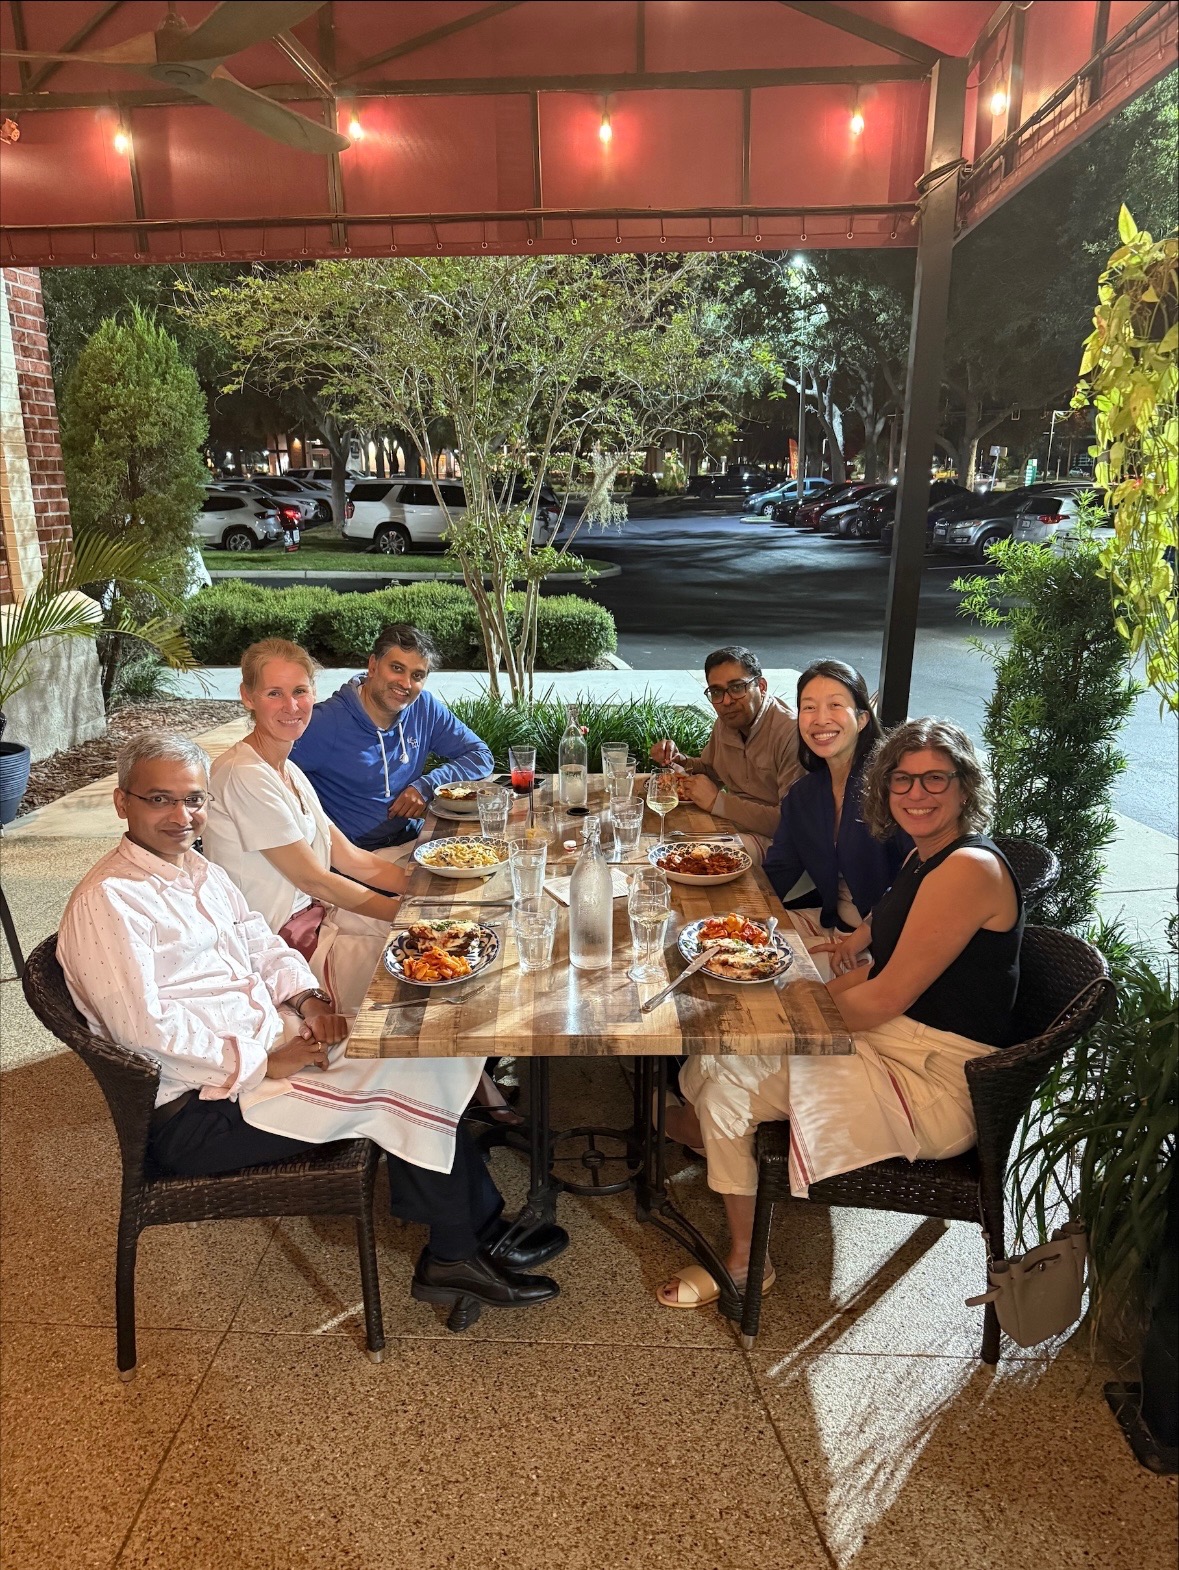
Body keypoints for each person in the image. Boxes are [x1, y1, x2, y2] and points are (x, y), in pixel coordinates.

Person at [58, 733, 564, 1315]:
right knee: (405, 1074)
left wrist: (307, 998)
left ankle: (476, 1226)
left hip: (265, 1042)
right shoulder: (112, 900)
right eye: (160, 800)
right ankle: (453, 1256)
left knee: (417, 1047)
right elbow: (143, 1033)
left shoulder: (196, 869)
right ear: (122, 803)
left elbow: (258, 941)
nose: (182, 816)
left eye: (193, 800)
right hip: (200, 1108)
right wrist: (265, 1061)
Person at [659, 719, 1023, 1309]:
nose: (917, 793)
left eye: (936, 779)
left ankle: (748, 1257)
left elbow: (882, 998)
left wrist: (781, 1020)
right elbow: (879, 972)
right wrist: (790, 1003)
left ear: (966, 787)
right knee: (719, 1057)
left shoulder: (968, 869)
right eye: (902, 780)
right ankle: (716, 1141)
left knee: (726, 1075)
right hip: (902, 1041)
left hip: (940, 1082)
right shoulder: (929, 856)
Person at [203, 637, 516, 1126]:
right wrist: (410, 913)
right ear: (246, 696)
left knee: (454, 937)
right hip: (281, 938)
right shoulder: (244, 774)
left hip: (318, 914)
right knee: (425, 964)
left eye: (301, 692)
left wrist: (440, 890)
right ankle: (445, 1099)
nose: (292, 706)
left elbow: (349, 858)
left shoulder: (285, 769)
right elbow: (319, 880)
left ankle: (466, 1081)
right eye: (275, 694)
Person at [291, 623, 493, 851]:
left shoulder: (424, 708)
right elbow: (269, 776)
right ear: (373, 666)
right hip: (354, 857)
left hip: (412, 840)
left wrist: (427, 785)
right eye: (397, 668)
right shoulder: (325, 722)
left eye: (417, 675)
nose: (406, 684)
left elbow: (480, 755)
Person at [763, 659, 910, 971]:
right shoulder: (803, 795)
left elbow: (919, 877)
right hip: (834, 928)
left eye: (835, 705)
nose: (820, 719)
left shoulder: (893, 787)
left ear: (861, 719)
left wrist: (865, 935)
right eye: (809, 707)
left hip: (892, 947)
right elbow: (777, 870)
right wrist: (738, 912)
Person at [650, 645, 802, 856]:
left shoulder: (791, 734)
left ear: (762, 686)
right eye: (716, 692)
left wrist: (718, 802)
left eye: (737, 687)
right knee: (662, 841)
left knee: (687, 857)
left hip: (781, 845)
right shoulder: (727, 723)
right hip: (733, 827)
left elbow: (790, 824)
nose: (727, 701)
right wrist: (680, 761)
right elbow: (713, 772)